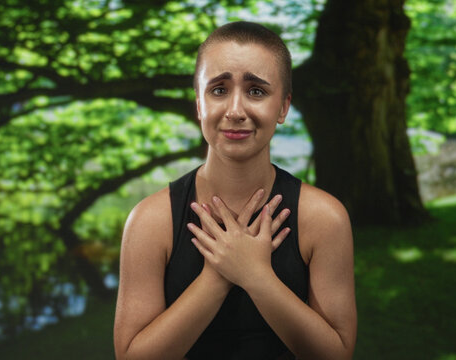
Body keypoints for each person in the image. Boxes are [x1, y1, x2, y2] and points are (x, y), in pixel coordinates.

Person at [113, 21, 356, 360]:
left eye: (256, 91)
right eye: (218, 90)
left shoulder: (324, 218)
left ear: (283, 107)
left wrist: (256, 276)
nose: (235, 111)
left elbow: (336, 355)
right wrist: (216, 276)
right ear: (199, 104)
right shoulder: (150, 220)